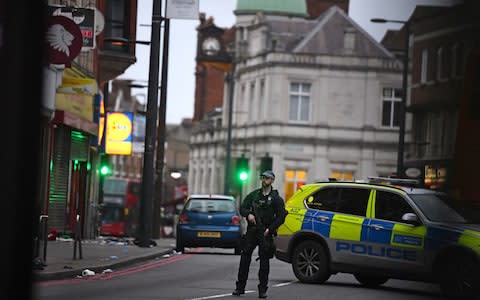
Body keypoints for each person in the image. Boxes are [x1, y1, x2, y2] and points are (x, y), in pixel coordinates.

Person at [232, 170, 286, 298]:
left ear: (272, 181)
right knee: (244, 259)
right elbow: (243, 207)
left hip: (265, 232)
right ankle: (240, 288)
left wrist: (270, 229)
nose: (264, 180)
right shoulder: (254, 195)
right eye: (262, 178)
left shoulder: (276, 199)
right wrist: (248, 214)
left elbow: (281, 217)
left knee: (264, 262)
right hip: (252, 231)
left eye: (267, 178)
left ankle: (262, 290)